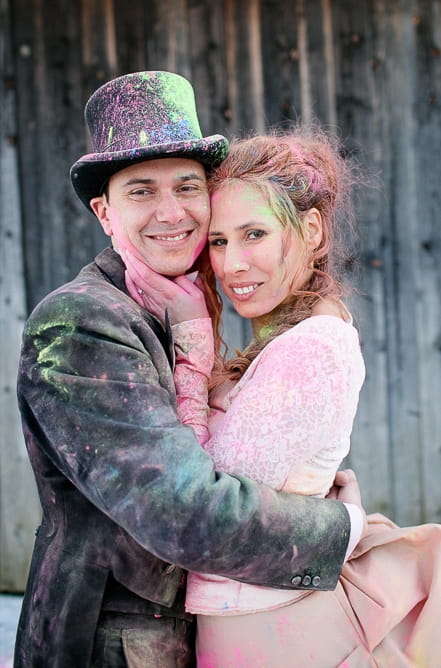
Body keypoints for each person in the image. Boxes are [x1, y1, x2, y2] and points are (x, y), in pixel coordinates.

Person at [14, 72, 365, 668]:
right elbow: (187, 516)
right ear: (104, 212)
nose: (171, 212)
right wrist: (341, 527)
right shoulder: (81, 322)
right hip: (111, 644)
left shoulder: (178, 306)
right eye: (141, 191)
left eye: (187, 186)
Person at [125, 130, 441, 667]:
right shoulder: (287, 337)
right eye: (220, 241)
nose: (232, 265)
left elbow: (204, 499)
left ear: (312, 230)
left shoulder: (314, 345)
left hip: (272, 630)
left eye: (254, 234)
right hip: (254, 619)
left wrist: (193, 353)